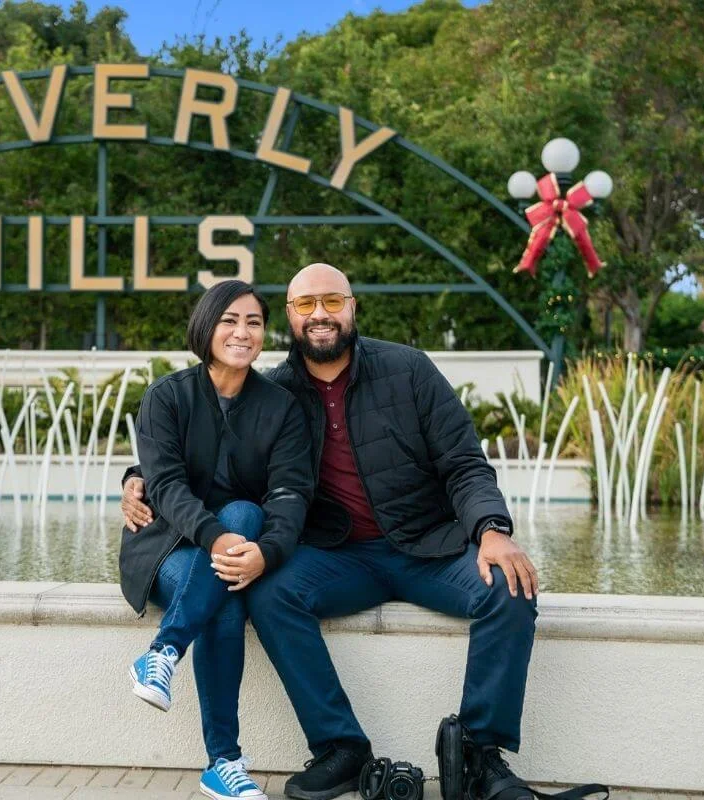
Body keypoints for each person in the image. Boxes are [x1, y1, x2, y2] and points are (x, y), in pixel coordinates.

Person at [123, 263, 541, 800]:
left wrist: (490, 528)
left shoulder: (408, 370)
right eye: (305, 305)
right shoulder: (275, 393)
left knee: (510, 585)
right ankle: (341, 750)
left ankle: (480, 755)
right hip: (339, 554)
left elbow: (464, 462)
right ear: (291, 321)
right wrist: (139, 478)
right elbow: (220, 468)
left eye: (332, 301)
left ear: (351, 307)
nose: (320, 314)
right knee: (270, 591)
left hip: (428, 546)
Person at [119, 279, 314, 800]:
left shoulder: (281, 406)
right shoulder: (167, 396)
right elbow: (164, 485)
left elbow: (292, 493)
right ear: (206, 327)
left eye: (253, 322)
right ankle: (223, 761)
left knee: (243, 524)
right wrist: (217, 537)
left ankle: (164, 656)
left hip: (239, 546)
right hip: (165, 545)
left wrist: (264, 551)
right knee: (226, 565)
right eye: (230, 320)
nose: (243, 332)